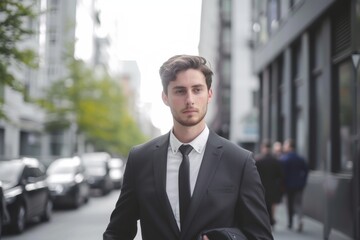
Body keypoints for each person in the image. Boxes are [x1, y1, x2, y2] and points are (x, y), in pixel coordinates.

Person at [103, 55, 273, 240]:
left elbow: (261, 236)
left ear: (209, 94)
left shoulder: (239, 161)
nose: (190, 100)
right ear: (165, 97)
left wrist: (226, 237)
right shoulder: (140, 158)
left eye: (197, 90)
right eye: (180, 91)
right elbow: (117, 232)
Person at [280, 138, 308, 232]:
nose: (284, 147)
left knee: (289, 204)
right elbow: (306, 170)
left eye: (285, 145)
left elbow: (282, 174)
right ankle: (300, 220)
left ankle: (290, 223)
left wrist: (282, 184)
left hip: (288, 186)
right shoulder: (300, 158)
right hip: (299, 185)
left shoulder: (284, 159)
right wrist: (303, 181)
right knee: (298, 204)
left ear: (290, 147)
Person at [255, 140, 284, 227]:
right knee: (270, 204)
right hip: (272, 187)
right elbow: (280, 175)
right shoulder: (275, 160)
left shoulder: (258, 160)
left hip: (261, 186)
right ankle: (270, 220)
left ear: (262, 148)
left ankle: (266, 221)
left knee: (262, 205)